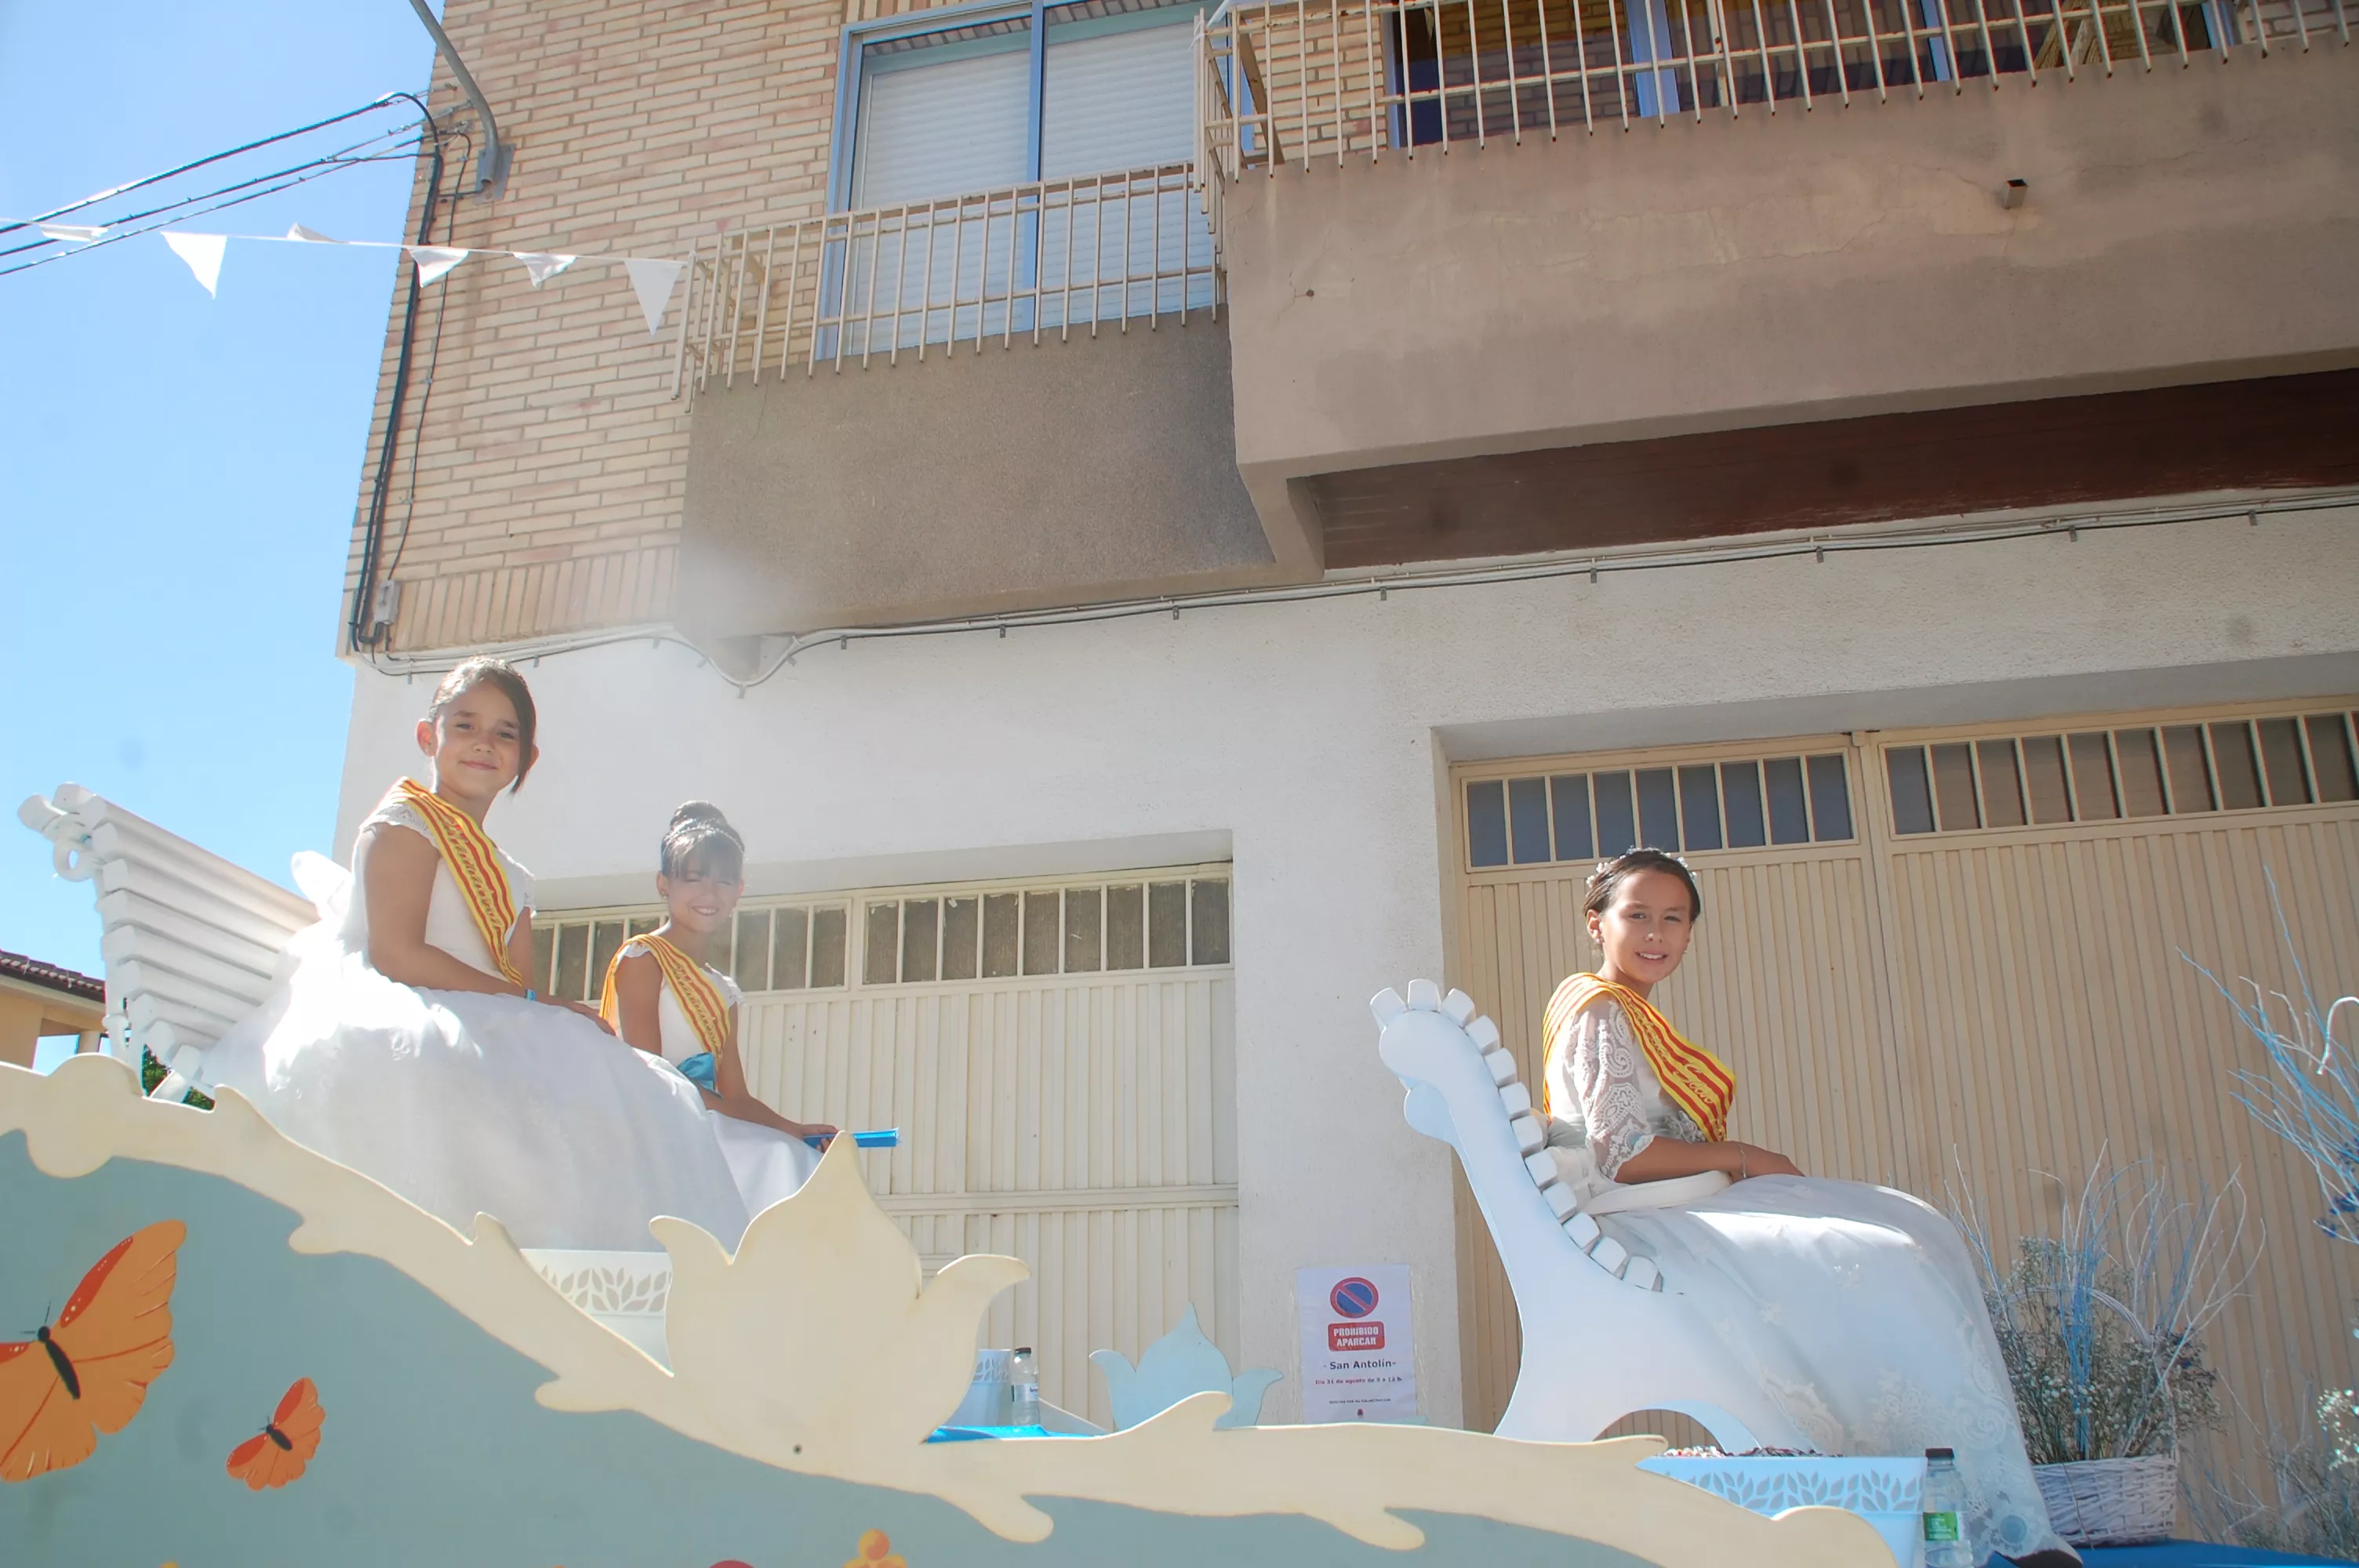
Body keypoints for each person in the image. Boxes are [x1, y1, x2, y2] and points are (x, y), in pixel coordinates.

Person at [1541, 848, 2074, 1567]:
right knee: (1888, 1254)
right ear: (1595, 923)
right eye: (1636, 915)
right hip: (1645, 1220)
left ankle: (1954, 1506)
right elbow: (1624, 1157)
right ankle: (1959, 1510)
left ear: (1692, 934)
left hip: (1672, 1207)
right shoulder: (1599, 1010)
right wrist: (1744, 1157)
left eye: (1674, 918)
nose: (1655, 933)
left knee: (1910, 1232)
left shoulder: (1623, 1011)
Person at [206, 658, 752, 1251]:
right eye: (465, 726)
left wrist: (542, 1008)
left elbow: (513, 981)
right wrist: (532, 1002)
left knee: (632, 1085)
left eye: (505, 733)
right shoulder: (406, 822)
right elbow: (397, 953)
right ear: (427, 735)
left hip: (482, 1011)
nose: (484, 745)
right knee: (445, 1060)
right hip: (399, 997)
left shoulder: (512, 877)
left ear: (526, 758)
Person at [599, 803, 834, 1215]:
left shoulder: (722, 989)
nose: (710, 894)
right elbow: (652, 1075)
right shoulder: (643, 958)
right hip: (657, 1121)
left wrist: (794, 1129)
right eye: (694, 879)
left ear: (739, 891)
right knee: (775, 1158)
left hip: (710, 1117)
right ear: (663, 884)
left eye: (724, 881)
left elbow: (737, 1095)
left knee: (800, 1159)